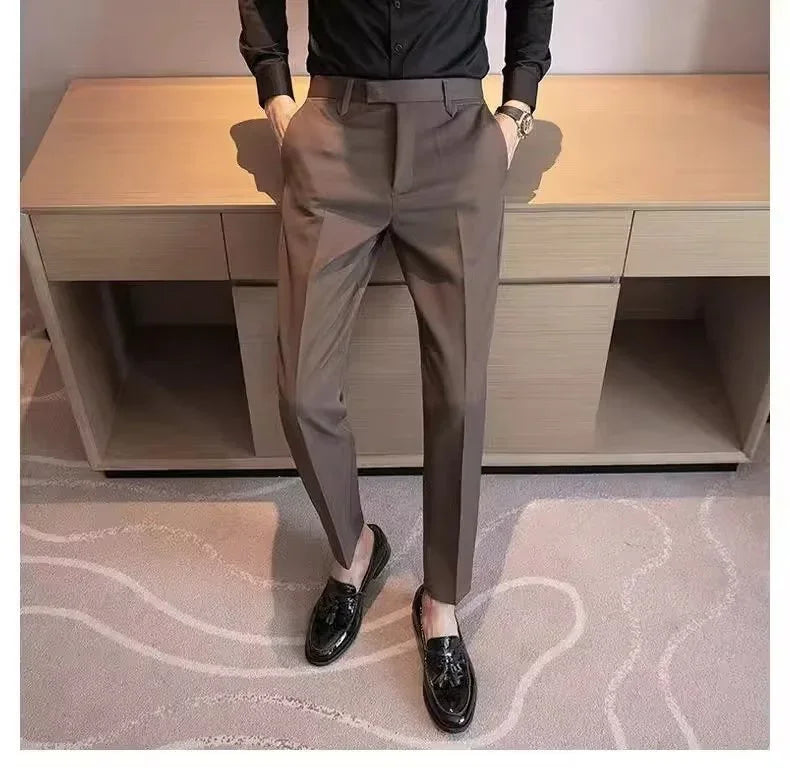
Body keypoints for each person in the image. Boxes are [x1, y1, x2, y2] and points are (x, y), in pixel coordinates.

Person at [238, 0, 554, 734]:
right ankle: (355, 552)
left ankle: (440, 602)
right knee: (301, 393)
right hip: (334, 126)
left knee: (462, 397)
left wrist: (518, 107)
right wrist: (276, 93)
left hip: (455, 133)